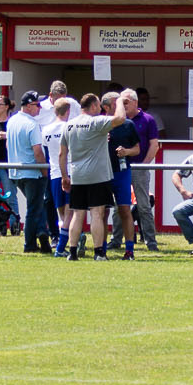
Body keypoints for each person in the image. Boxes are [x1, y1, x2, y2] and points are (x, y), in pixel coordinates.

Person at [58, 93, 123, 261]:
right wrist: (121, 101)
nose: (100, 109)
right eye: (98, 106)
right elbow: (120, 118)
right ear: (93, 106)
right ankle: (99, 252)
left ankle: (72, 252)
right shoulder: (96, 122)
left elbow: (62, 154)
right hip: (98, 176)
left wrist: (65, 176)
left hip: (77, 175)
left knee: (77, 214)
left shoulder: (69, 125)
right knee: (97, 213)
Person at [3, 92, 51, 254]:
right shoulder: (32, 124)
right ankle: (30, 244)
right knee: (34, 209)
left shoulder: (12, 121)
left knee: (36, 206)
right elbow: (38, 151)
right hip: (32, 172)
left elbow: (8, 146)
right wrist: (44, 171)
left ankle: (42, 234)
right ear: (29, 106)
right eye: (37, 105)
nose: (39, 108)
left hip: (16, 172)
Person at [105, 90, 143, 259]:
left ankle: (129, 250)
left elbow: (137, 149)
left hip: (122, 172)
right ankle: (101, 248)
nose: (120, 105)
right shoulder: (99, 123)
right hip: (103, 173)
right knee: (101, 211)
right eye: (116, 102)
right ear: (106, 106)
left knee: (125, 210)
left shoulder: (128, 125)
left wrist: (126, 151)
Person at [124, 91, 161, 249]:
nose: (122, 105)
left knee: (144, 205)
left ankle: (151, 242)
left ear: (135, 102)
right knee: (120, 205)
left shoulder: (148, 119)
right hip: (121, 168)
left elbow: (154, 145)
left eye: (125, 102)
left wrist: (144, 164)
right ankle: (116, 240)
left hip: (140, 167)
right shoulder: (119, 119)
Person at [39, 97, 72, 255]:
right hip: (69, 173)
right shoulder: (69, 127)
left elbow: (45, 150)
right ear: (68, 111)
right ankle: (65, 245)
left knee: (62, 213)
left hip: (54, 174)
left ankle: (64, 242)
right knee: (70, 212)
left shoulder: (46, 130)